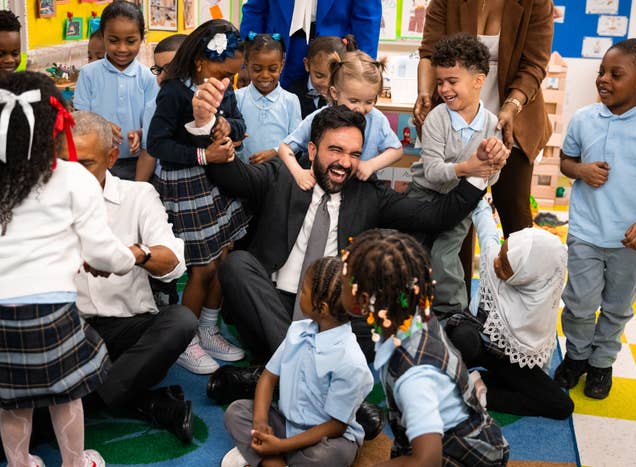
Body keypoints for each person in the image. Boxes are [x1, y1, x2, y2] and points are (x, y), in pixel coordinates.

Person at [204, 104, 506, 365]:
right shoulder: (282, 174)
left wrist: (479, 173)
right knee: (237, 265)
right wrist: (205, 126)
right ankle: (302, 364)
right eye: (335, 150)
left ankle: (283, 365)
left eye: (354, 154)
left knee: (393, 323)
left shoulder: (369, 194)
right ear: (312, 150)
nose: (345, 163)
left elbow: (436, 216)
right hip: (272, 302)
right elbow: (234, 178)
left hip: (334, 313)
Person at [0, 72, 139, 467]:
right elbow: (103, 252)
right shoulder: (72, 178)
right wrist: (128, 260)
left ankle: (20, 463)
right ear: (55, 126)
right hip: (51, 308)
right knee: (66, 395)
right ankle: (74, 462)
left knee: (14, 400)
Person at [58, 110, 198, 442]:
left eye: (85, 164)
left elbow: (174, 263)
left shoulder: (138, 196)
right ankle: (145, 401)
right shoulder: (41, 203)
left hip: (129, 332)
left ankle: (78, 408)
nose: (73, 176)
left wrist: (130, 255)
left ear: (111, 158)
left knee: (181, 321)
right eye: (65, 164)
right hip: (68, 334)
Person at [340, 229, 509, 465]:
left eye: (343, 280)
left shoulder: (414, 376)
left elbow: (427, 459)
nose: (339, 283)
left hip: (458, 455)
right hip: (448, 436)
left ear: (362, 300)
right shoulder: (413, 314)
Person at [146, 20, 249, 374]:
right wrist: (205, 155)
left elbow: (240, 123)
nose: (227, 82)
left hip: (215, 180)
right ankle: (184, 339)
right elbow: (157, 144)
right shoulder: (174, 92)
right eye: (223, 74)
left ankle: (207, 328)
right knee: (202, 267)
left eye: (232, 76)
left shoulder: (223, 85)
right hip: (184, 184)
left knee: (223, 258)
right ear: (201, 62)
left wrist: (227, 126)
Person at [554, 38, 636, 400]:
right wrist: (580, 170)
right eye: (601, 72)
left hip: (631, 238)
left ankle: (601, 363)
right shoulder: (584, 119)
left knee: (617, 307)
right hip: (586, 231)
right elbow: (566, 162)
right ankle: (576, 357)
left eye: (616, 74)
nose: (604, 79)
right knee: (579, 303)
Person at [414, 0, 554, 237]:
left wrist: (511, 107)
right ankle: (455, 264)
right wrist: (425, 92)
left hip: (513, 113)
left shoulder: (536, 2)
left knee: (515, 213)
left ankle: (518, 262)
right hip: (455, 113)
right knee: (453, 214)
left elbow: (534, 65)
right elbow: (429, 53)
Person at [222, 257, 373, 467]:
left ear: (322, 307)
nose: (300, 294)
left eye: (303, 291)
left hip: (325, 437)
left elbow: (336, 427)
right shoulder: (297, 331)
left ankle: (268, 457)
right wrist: (260, 424)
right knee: (236, 412)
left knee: (329, 456)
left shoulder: (351, 362)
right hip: (287, 424)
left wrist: (280, 446)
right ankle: (276, 458)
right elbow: (268, 377)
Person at [444, 200, 574, 419]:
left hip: (511, 357)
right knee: (462, 337)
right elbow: (487, 230)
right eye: (501, 255)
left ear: (529, 274)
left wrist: (536, 378)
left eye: (505, 266)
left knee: (562, 407)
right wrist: (478, 196)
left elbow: (544, 334)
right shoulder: (494, 258)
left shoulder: (544, 289)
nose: (496, 264)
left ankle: (478, 391)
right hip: (477, 343)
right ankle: (453, 378)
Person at [407, 33, 504, 320]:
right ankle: (410, 308)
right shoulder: (437, 118)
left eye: (452, 81)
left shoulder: (492, 125)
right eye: (440, 82)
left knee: (443, 256)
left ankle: (453, 314)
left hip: (461, 201)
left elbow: (490, 178)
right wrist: (468, 167)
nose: (445, 89)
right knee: (414, 252)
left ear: (478, 80)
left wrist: (492, 165)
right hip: (423, 195)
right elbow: (432, 171)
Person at [279, 50, 403, 189]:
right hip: (323, 186)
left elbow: (396, 150)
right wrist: (299, 173)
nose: (361, 109)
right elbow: (285, 148)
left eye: (369, 101)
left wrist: (371, 165)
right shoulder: (319, 117)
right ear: (334, 93)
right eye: (354, 101)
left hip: (359, 188)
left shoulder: (377, 119)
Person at [74, 0, 159, 180]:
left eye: (131, 41)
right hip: (95, 161)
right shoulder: (88, 74)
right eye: (113, 41)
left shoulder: (147, 78)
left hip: (137, 163)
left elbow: (151, 126)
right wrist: (101, 125)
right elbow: (80, 119)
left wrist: (139, 134)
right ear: (103, 36)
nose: (122, 48)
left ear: (142, 38)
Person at [239, 0, 381, 88]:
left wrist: (364, 69)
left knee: (332, 115)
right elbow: (255, 11)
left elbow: (367, 18)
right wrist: (245, 63)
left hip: (334, 51)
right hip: (281, 49)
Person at [235, 33, 301, 164]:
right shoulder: (237, 98)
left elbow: (297, 140)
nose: (265, 75)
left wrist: (276, 152)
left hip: (279, 172)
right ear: (246, 64)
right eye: (257, 69)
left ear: (282, 65)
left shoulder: (290, 101)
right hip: (245, 170)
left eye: (272, 69)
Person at [136, 33, 188, 183]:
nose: (162, 77)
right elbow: (148, 154)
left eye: (171, 69)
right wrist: (137, 191)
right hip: (165, 182)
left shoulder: (208, 99)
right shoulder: (153, 106)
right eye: (159, 70)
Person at [287, 35, 357, 119]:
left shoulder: (346, 96)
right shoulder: (292, 93)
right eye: (319, 76)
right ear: (307, 65)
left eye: (333, 77)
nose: (326, 83)